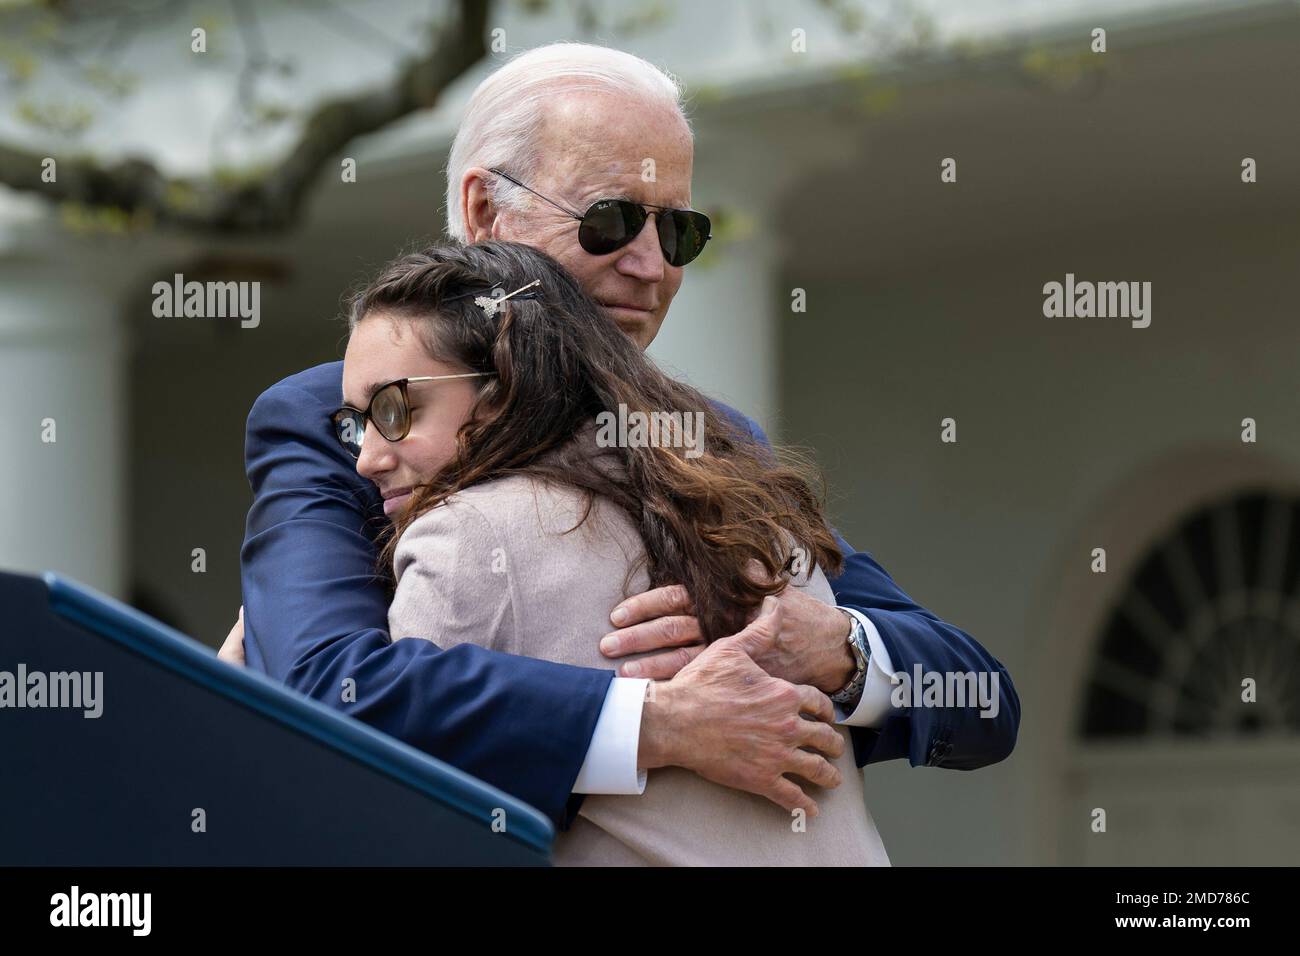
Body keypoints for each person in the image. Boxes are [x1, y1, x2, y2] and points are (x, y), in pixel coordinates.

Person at [225, 42, 1019, 831]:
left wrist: (839, 650)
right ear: (484, 213)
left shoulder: (706, 438)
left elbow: (981, 699)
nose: (651, 266)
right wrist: (661, 724)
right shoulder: (334, 422)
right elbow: (325, 688)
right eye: (610, 220)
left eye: (678, 232)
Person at [338, 238, 890, 864]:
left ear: (499, 388)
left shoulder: (465, 534)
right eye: (355, 422)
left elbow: (390, 807)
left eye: (395, 408)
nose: (367, 457)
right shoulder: (752, 512)